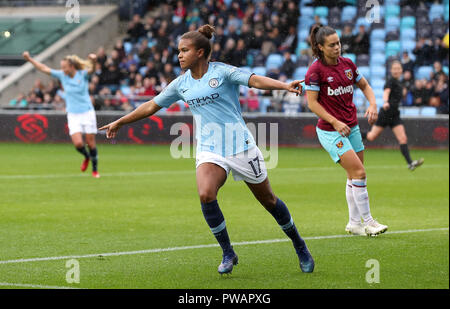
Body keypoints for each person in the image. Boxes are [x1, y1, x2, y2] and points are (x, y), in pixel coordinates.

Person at [100, 24, 314, 275]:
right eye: (178, 51)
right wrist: (120, 121)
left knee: (268, 200)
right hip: (210, 149)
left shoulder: (222, 72)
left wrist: (284, 85)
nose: (179, 55)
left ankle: (299, 245)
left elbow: (254, 80)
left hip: (241, 147)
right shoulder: (181, 84)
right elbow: (151, 105)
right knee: (206, 194)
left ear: (200, 52)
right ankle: (228, 252)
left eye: (184, 50)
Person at [304, 25, 388, 237]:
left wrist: (373, 104)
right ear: (321, 47)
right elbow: (312, 104)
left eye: (338, 43)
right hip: (331, 131)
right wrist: (334, 122)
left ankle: (353, 223)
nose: (337, 48)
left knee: (354, 175)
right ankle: (369, 222)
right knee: (359, 172)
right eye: (331, 45)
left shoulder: (348, 64)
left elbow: (366, 86)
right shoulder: (315, 71)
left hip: (351, 127)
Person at [23, 51, 100, 178]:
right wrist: (30, 59)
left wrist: (94, 60)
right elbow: (44, 68)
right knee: (78, 144)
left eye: (65, 67)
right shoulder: (62, 76)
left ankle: (95, 170)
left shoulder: (82, 74)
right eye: (62, 67)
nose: (62, 69)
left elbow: (92, 69)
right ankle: (87, 157)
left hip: (87, 112)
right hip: (73, 114)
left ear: (72, 66)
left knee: (90, 143)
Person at [363, 61, 424, 171]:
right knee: (371, 136)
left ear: (401, 70)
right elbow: (386, 92)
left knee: (403, 138)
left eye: (398, 68)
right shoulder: (390, 81)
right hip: (386, 114)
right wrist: (385, 102)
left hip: (395, 115)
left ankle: (410, 163)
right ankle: (353, 133)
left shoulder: (399, 83)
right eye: (394, 68)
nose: (396, 70)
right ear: (391, 70)